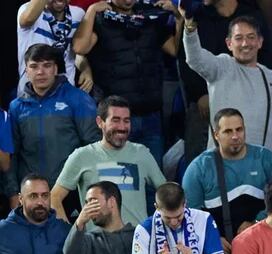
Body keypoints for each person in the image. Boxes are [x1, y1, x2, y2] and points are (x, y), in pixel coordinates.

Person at [73, 0, 181, 163]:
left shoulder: (150, 18)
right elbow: (80, 47)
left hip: (151, 113)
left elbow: (174, 49)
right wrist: (91, 11)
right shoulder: (101, 19)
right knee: (117, 179)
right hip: (116, 116)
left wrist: (179, 18)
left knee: (152, 179)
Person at [180, 6, 272, 167]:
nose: (245, 43)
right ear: (229, 43)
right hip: (223, 167)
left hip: (262, 169)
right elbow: (195, 58)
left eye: (251, 37)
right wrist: (189, 26)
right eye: (238, 38)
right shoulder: (221, 66)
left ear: (260, 42)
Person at [6, 45, 100, 210]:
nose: (40, 72)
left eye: (47, 65)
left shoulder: (78, 99)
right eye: (34, 66)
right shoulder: (16, 107)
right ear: (26, 70)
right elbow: (11, 157)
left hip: (70, 192)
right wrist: (13, 193)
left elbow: (94, 146)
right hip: (31, 194)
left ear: (56, 69)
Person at [52, 96, 167, 228]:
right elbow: (54, 198)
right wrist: (71, 235)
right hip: (96, 244)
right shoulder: (81, 156)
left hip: (136, 242)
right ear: (100, 122)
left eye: (126, 121)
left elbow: (167, 193)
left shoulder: (142, 153)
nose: (122, 127)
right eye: (116, 120)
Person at [182, 108, 272, 253]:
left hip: (263, 243)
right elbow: (190, 214)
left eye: (239, 130)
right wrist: (211, 237)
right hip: (219, 251)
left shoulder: (264, 158)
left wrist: (257, 223)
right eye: (228, 131)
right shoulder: (198, 168)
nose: (235, 136)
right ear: (216, 135)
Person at [17, 0, 86, 92]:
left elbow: (75, 50)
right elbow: (27, 19)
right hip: (32, 92)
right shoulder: (27, 10)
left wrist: (85, 68)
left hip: (66, 92)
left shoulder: (79, 14)